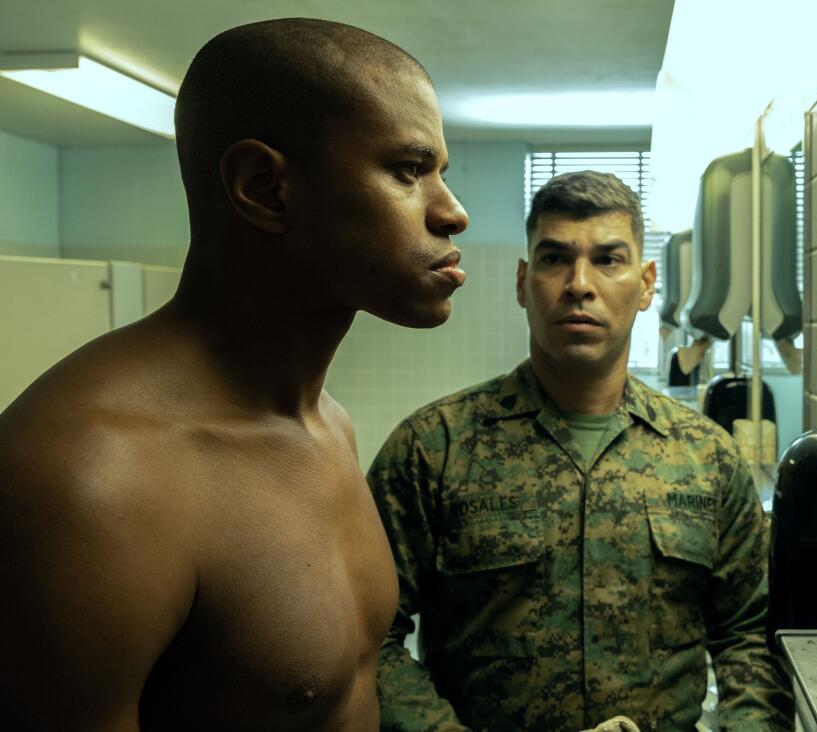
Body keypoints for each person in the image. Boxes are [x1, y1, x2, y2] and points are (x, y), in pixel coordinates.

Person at [0, 18, 468, 730]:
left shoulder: (325, 423)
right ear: (264, 188)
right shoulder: (87, 477)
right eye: (408, 171)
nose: (452, 212)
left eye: (442, 172)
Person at [368, 171, 793, 731]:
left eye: (608, 259)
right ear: (523, 282)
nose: (579, 284)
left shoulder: (707, 458)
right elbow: (369, 638)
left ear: (646, 284)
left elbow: (748, 640)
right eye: (554, 259)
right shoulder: (435, 450)